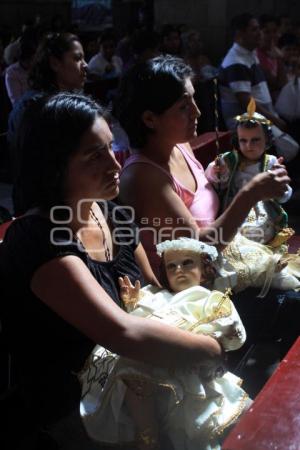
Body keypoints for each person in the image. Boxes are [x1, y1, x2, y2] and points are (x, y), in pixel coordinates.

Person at [0, 93, 223, 449]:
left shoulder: (111, 213)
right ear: (55, 165)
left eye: (109, 147)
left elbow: (152, 292)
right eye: (94, 155)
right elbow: (122, 333)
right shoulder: (37, 240)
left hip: (135, 378)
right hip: (79, 407)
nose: (114, 164)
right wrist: (212, 347)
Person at [115, 55, 291, 276]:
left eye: (194, 100)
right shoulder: (143, 176)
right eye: (183, 107)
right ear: (150, 119)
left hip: (222, 263)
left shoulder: (180, 145)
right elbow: (200, 250)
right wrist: (249, 194)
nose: (196, 112)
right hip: (187, 287)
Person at [80, 238, 249, 450]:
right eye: (172, 266)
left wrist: (216, 336)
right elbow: (137, 322)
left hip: (187, 360)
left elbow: (232, 334)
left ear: (205, 270)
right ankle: (147, 432)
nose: (179, 269)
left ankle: (152, 433)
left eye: (188, 263)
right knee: (132, 366)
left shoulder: (211, 299)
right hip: (153, 356)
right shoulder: (155, 295)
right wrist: (132, 304)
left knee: (190, 427)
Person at [7, 32, 88, 215]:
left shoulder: (63, 101)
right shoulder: (35, 109)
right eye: (77, 59)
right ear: (54, 63)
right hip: (43, 209)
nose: (85, 65)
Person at [218, 13, 299, 162]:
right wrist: (275, 120)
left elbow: (277, 83)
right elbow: (246, 102)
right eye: (254, 30)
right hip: (248, 123)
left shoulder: (249, 55)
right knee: (291, 150)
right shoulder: (235, 61)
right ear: (240, 34)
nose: (260, 34)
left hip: (263, 117)